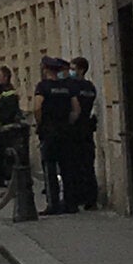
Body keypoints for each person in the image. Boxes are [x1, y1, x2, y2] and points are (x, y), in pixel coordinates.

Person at [34, 56, 80, 214]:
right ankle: (71, 204)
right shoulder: (67, 86)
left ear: (46, 69)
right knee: (68, 168)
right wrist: (68, 122)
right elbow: (76, 109)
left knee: (50, 169)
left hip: (49, 132)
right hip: (66, 131)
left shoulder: (43, 87)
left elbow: (37, 107)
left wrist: (40, 123)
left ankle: (53, 204)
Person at [68, 57, 98, 210]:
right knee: (88, 165)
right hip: (87, 129)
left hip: (76, 130)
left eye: (73, 68)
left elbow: (74, 110)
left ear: (81, 70)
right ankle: (91, 199)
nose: (70, 71)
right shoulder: (90, 87)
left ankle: (78, 197)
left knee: (75, 165)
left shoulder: (73, 87)